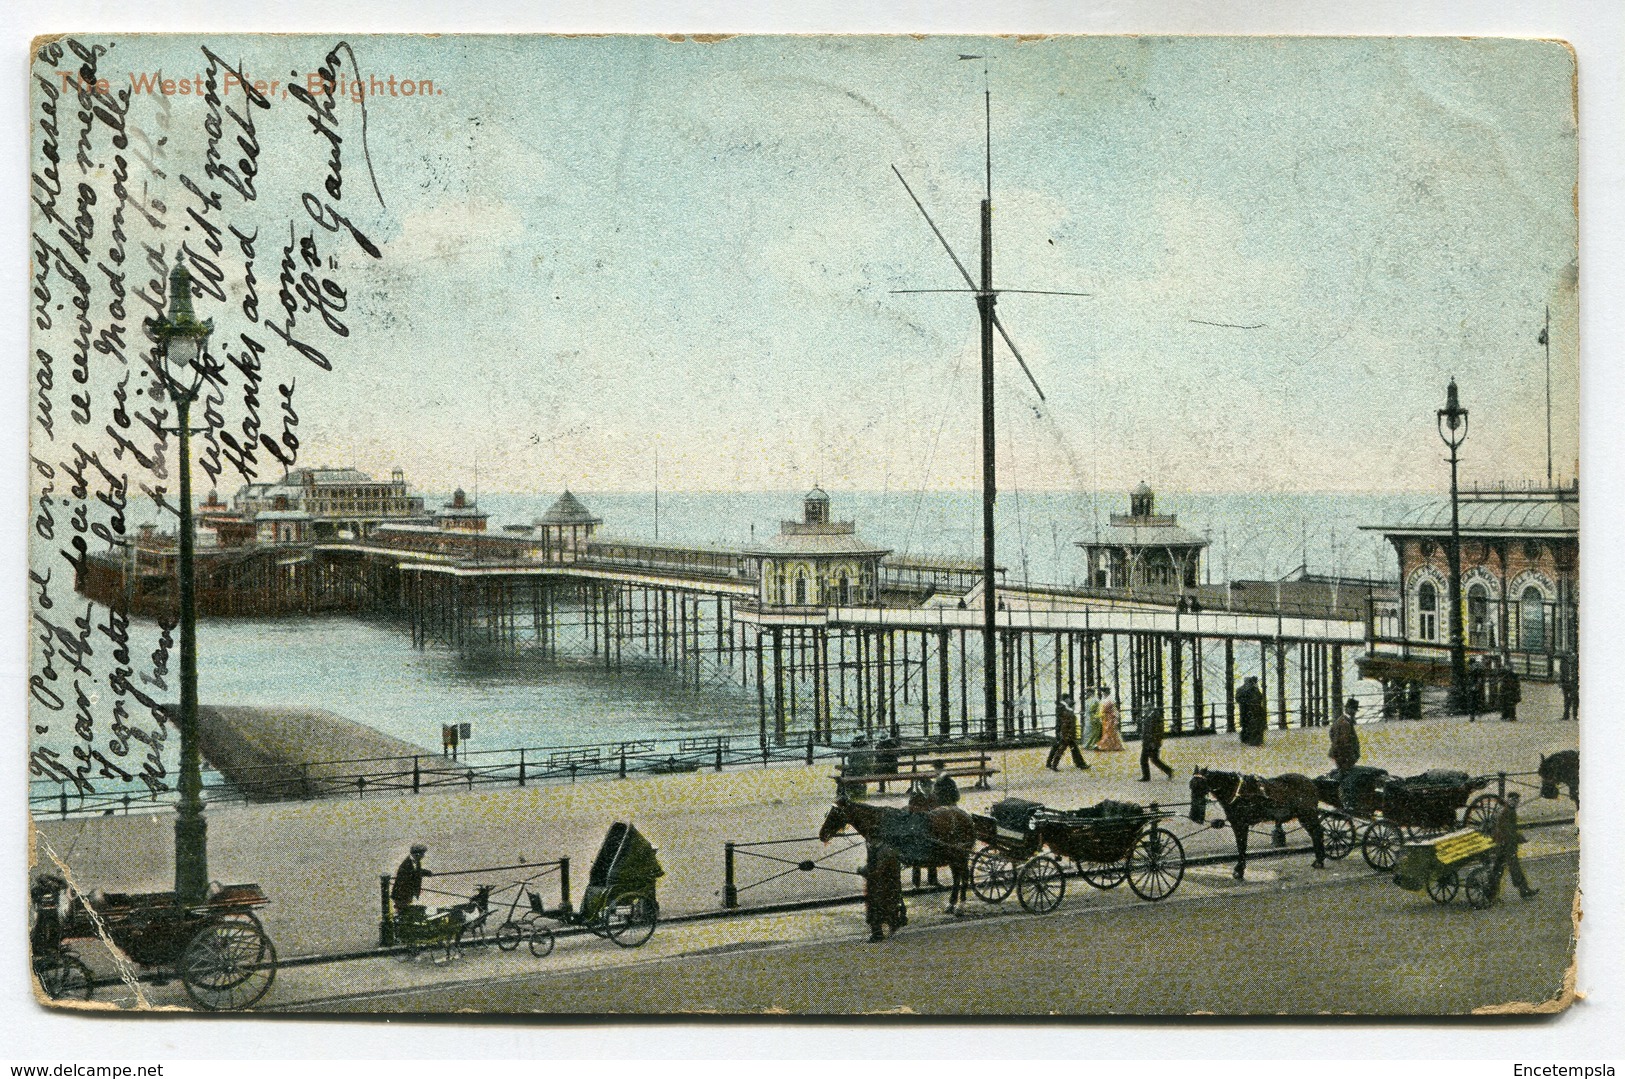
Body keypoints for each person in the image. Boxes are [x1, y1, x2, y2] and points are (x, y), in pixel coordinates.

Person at [1488, 791, 1538, 901]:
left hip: (1502, 844)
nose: (1515, 803)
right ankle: (1524, 890)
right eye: (1513, 800)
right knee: (1514, 868)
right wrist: (1519, 838)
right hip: (1507, 845)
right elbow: (1507, 830)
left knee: (1498, 870)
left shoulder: (1506, 810)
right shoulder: (1508, 812)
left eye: (1516, 801)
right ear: (1509, 800)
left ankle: (1490, 894)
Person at [858, 842, 905, 942]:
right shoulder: (885, 849)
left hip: (881, 886)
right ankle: (891, 925)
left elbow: (878, 870)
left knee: (876, 908)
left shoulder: (883, 851)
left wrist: (863, 871)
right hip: (882, 886)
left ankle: (878, 934)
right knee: (884, 907)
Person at [1329, 697, 1363, 810]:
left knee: (1344, 776)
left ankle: (1343, 801)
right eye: (1353, 710)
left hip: (1339, 754)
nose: (1354, 712)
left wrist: (1334, 746)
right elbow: (1345, 742)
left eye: (1354, 710)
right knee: (1348, 778)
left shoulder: (1340, 720)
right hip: (1345, 756)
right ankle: (1347, 803)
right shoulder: (1345, 723)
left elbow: (1331, 732)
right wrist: (1350, 756)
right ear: (1348, 709)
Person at [1046, 694, 1089, 771]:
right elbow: (1064, 721)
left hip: (1064, 731)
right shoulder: (1064, 708)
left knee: (1061, 748)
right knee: (1061, 748)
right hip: (1065, 732)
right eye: (1069, 698)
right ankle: (1080, 764)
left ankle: (1050, 763)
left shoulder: (1062, 706)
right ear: (1066, 699)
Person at [391, 844, 432, 920]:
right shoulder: (406, 864)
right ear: (417, 854)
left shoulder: (416, 861)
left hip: (406, 893)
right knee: (401, 912)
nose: (423, 856)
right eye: (422, 854)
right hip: (401, 894)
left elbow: (416, 871)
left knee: (403, 912)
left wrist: (426, 872)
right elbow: (411, 875)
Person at [1139, 707, 1174, 782]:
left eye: (1145, 710)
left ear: (1149, 710)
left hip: (1150, 742)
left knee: (1144, 760)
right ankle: (1168, 770)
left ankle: (1146, 777)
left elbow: (1156, 732)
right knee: (1154, 759)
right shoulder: (1153, 717)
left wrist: (1154, 742)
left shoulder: (1154, 718)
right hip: (1150, 742)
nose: (1144, 711)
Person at [1236, 676, 1267, 746]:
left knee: (1245, 724)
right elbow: (1260, 697)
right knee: (1251, 724)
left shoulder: (1240, 689)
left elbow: (1238, 699)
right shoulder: (1254, 689)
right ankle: (1253, 740)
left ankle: (1246, 739)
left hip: (1244, 709)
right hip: (1253, 709)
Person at [1559, 654, 1579, 722]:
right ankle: (1566, 715)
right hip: (1566, 683)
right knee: (1566, 699)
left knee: (1575, 698)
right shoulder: (1563, 662)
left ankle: (1575, 715)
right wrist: (1561, 683)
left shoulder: (1577, 662)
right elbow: (1561, 673)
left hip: (1574, 683)